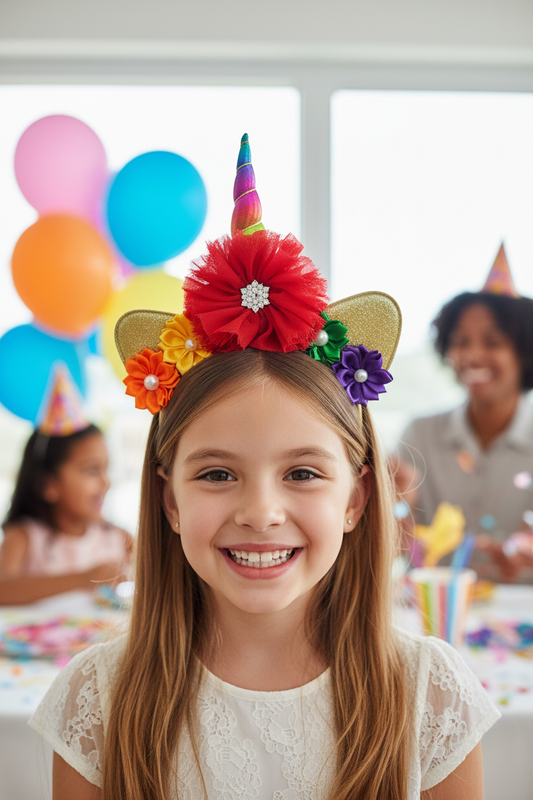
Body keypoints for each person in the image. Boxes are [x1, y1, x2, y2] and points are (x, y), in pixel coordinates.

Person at [29, 135, 499, 800]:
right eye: (217, 474)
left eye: (302, 473)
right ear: (168, 502)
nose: (259, 511)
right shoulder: (96, 699)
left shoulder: (429, 696)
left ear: (356, 499)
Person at [395, 245, 533, 581]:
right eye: (460, 341)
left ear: (525, 354)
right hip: (431, 616)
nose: (471, 356)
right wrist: (391, 508)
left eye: (492, 342)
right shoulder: (420, 436)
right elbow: (396, 542)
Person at [0, 367, 132, 604]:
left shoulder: (119, 539)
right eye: (92, 470)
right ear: (48, 485)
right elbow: (3, 590)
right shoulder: (24, 538)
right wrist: (83, 579)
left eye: (106, 468)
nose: (106, 481)